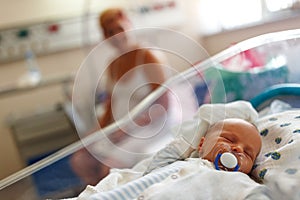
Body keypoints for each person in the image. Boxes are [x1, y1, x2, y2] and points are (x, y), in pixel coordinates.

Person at [70, 101, 272, 200]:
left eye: (247, 154)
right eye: (228, 139)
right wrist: (184, 144)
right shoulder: (180, 162)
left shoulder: (237, 180)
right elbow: (153, 169)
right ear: (201, 145)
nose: (237, 149)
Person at [70, 7, 174, 186]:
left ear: (129, 25)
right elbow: (110, 106)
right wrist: (94, 134)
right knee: (81, 161)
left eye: (120, 28)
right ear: (105, 37)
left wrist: (128, 128)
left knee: (108, 169)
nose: (117, 36)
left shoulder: (148, 56)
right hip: (120, 128)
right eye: (110, 32)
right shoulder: (113, 65)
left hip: (150, 128)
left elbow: (164, 105)